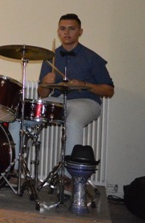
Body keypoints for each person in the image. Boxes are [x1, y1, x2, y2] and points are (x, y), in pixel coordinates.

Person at [37, 13, 114, 156]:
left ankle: (70, 170)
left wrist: (84, 84)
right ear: (58, 31)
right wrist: (44, 83)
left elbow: (109, 91)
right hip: (58, 101)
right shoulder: (50, 57)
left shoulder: (92, 58)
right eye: (63, 29)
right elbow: (42, 94)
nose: (66, 32)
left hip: (86, 101)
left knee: (72, 122)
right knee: (22, 119)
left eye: (71, 28)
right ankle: (15, 167)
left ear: (80, 32)